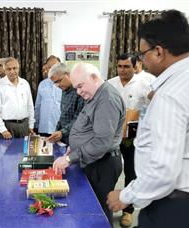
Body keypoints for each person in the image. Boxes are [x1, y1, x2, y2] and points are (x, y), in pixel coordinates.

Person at [107, 10, 189, 228]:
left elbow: (164, 169)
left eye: (143, 55)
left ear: (159, 52)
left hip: (174, 209)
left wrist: (126, 195)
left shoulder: (172, 93)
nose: (142, 61)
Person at [53, 62, 125, 226]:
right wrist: (74, 145)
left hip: (103, 164)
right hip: (95, 161)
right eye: (76, 88)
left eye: (80, 86)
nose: (78, 92)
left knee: (98, 212)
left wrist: (70, 158)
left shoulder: (106, 99)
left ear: (94, 78)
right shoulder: (96, 94)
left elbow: (102, 142)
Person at [107, 52, 151, 227]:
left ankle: (128, 211)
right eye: (119, 66)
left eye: (126, 66)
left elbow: (152, 110)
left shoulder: (144, 84)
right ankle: (108, 206)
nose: (122, 70)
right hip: (111, 136)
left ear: (135, 67)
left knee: (132, 173)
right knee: (109, 171)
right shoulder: (109, 84)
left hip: (133, 137)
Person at [0, 57, 35, 139]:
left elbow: (30, 106)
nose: (12, 71)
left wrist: (31, 126)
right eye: (8, 69)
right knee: (7, 151)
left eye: (14, 68)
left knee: (23, 151)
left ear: (18, 68)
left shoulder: (25, 83)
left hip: (24, 126)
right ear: (5, 70)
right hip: (6, 127)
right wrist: (3, 129)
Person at [47, 63, 85, 145]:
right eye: (55, 83)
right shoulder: (64, 90)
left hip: (76, 139)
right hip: (64, 139)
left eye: (59, 81)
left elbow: (79, 119)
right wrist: (57, 131)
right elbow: (63, 115)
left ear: (68, 74)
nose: (57, 85)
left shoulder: (80, 91)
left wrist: (62, 132)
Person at [34, 55, 62, 136]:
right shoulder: (42, 84)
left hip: (60, 129)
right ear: (46, 68)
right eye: (50, 67)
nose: (53, 70)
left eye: (55, 67)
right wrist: (35, 125)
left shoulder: (65, 84)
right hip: (44, 127)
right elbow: (38, 107)